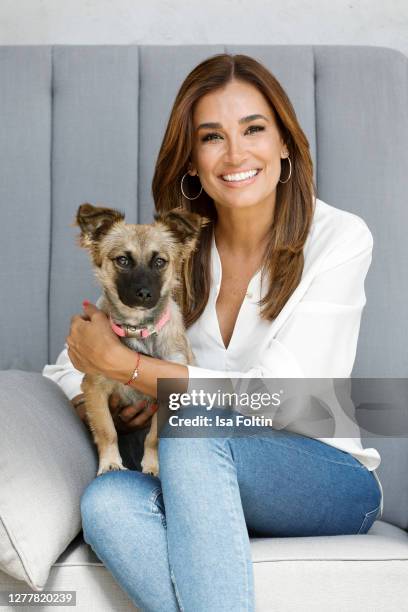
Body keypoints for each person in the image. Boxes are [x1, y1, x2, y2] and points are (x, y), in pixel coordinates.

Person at [42, 53, 383, 612]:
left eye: (254, 129)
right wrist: (100, 397)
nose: (236, 153)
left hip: (327, 480)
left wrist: (135, 371)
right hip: (199, 480)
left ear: (285, 145)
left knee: (192, 428)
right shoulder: (166, 252)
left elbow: (281, 400)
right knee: (105, 500)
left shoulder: (341, 238)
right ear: (192, 161)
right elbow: (71, 365)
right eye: (211, 137)